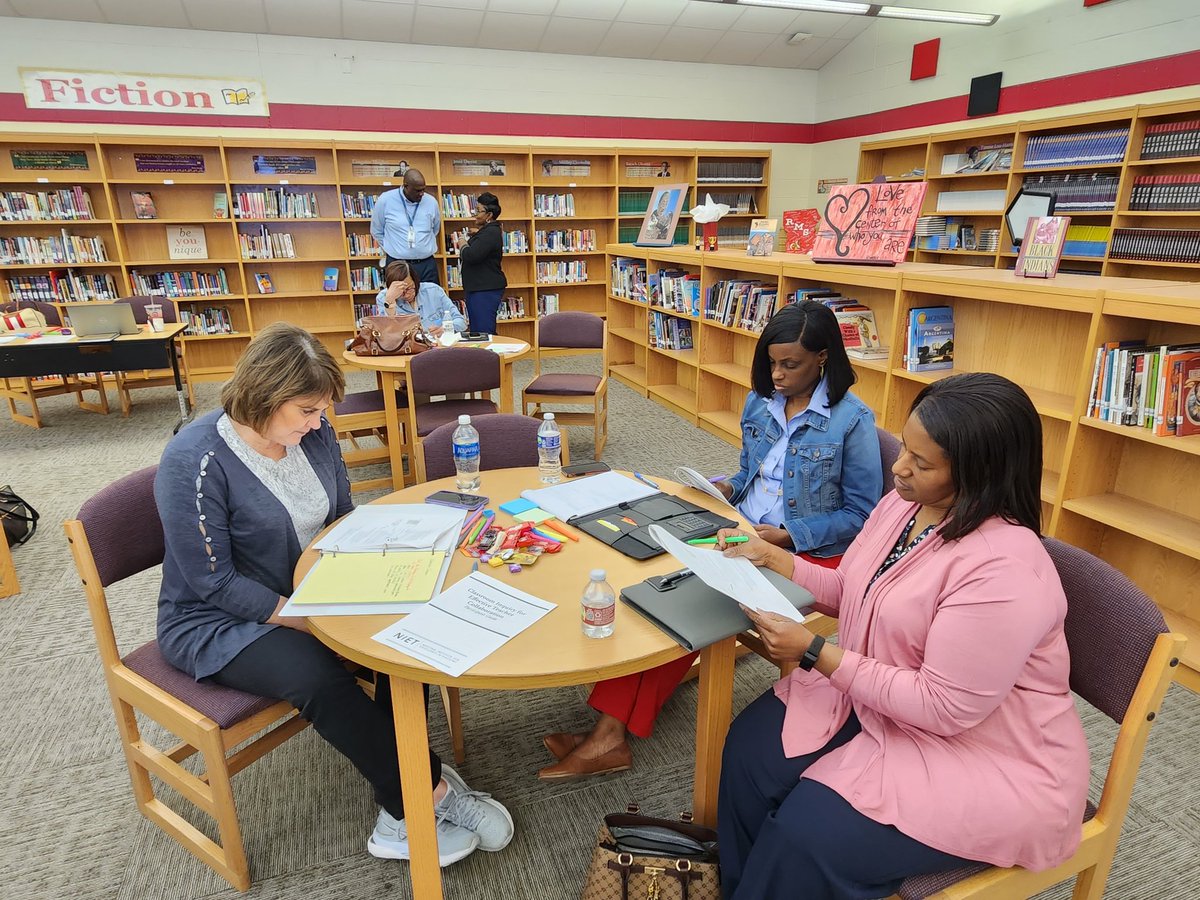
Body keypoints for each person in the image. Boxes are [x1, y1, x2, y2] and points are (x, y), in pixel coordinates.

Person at [715, 372, 1088, 899]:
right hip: (882, 695)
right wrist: (774, 558)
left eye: (922, 462)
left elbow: (943, 706)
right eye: (906, 447)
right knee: (750, 755)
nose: (898, 467)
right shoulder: (904, 506)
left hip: (987, 751)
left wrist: (816, 653)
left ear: (980, 472)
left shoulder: (1003, 570)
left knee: (807, 836)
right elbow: (854, 590)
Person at [154, 323, 513, 868]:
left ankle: (399, 807)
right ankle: (427, 793)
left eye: (322, 410)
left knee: (404, 638)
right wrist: (311, 617)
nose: (318, 422)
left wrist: (391, 562)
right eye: (306, 410)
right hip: (217, 619)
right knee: (316, 676)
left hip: (312, 588)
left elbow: (341, 517)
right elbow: (213, 582)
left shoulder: (313, 432)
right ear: (264, 395)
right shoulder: (194, 461)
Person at [537, 302, 882, 781]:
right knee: (649, 569)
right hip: (739, 528)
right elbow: (750, 474)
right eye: (771, 362)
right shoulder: (762, 401)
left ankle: (608, 737)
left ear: (823, 357)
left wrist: (786, 535)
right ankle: (610, 725)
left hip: (806, 553)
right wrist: (722, 488)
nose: (776, 375)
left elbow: (863, 516)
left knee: (689, 600)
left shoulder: (852, 420)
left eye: (790, 364)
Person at [371, 167, 441, 287]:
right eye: (417, 190)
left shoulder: (431, 202)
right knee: (399, 298)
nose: (421, 194)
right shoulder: (385, 200)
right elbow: (377, 230)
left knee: (431, 297)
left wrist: (420, 246)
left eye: (423, 189)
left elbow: (435, 229)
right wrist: (394, 249)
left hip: (426, 264)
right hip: (397, 264)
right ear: (406, 186)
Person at [457, 192, 507, 335]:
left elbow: (470, 256)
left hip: (485, 289)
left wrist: (462, 243)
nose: (475, 214)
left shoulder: (490, 233)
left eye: (478, 211)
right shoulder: (487, 231)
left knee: (484, 332)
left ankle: (491, 351)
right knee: (478, 331)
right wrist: (477, 234)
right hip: (479, 288)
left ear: (489, 215)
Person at [374, 259, 465, 335]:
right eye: (401, 292)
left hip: (437, 346)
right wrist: (390, 302)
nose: (406, 295)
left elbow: (461, 322)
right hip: (406, 348)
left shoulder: (434, 291)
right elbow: (386, 334)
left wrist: (445, 329)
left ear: (415, 281)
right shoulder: (384, 298)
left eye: (409, 288)